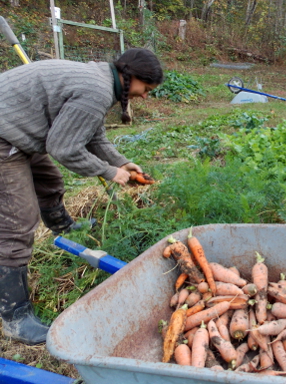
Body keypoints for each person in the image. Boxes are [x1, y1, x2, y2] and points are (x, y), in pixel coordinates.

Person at [0, 48, 164, 345]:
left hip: (16, 129)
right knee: (18, 220)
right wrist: (108, 172)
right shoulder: (96, 91)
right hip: (4, 135)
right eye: (146, 89)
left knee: (49, 180)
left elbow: (93, 135)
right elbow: (64, 148)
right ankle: (15, 317)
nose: (145, 96)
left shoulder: (101, 79)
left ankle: (63, 228)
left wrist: (120, 162)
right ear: (131, 77)